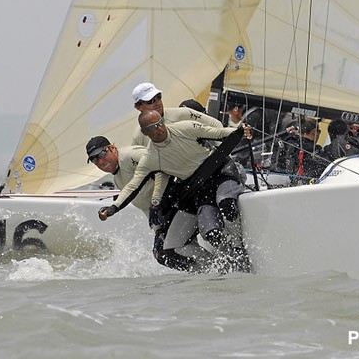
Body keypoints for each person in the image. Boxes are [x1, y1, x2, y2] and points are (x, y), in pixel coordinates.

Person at [98, 110, 253, 272]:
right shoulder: (151, 158)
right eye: (152, 127)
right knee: (211, 233)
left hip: (222, 173)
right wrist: (113, 207)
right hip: (201, 189)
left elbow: (218, 133)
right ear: (145, 132)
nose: (159, 129)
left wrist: (240, 130)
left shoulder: (184, 128)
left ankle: (238, 248)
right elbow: (133, 185)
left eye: (160, 123)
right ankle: (225, 265)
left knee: (226, 202)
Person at [86, 136, 196, 271]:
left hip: (179, 199)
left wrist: (156, 200)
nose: (100, 161)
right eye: (94, 159)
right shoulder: (118, 179)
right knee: (161, 255)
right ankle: (207, 271)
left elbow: (161, 165)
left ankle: (211, 270)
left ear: (113, 148)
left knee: (166, 251)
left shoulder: (129, 156)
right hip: (164, 213)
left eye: (102, 154)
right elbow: (144, 205)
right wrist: (157, 228)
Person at [131, 83, 222, 147]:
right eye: (150, 101)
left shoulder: (183, 113)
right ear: (139, 107)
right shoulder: (139, 136)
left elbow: (215, 125)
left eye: (158, 97)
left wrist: (221, 153)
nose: (157, 103)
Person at [276, 117, 329, 185]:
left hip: (292, 183)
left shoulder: (290, 145)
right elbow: (326, 167)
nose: (318, 134)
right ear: (314, 131)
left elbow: (280, 166)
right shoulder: (313, 149)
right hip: (309, 186)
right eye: (318, 131)